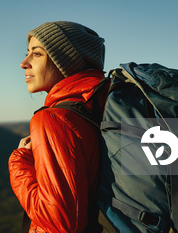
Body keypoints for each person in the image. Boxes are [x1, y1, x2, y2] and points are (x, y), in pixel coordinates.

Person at [9, 21, 107, 233]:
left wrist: (18, 162)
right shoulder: (100, 103)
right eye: (27, 53)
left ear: (67, 61)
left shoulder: (54, 119)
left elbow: (61, 224)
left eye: (37, 54)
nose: (24, 63)